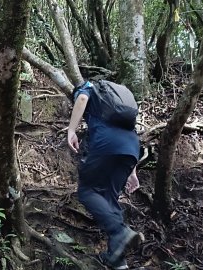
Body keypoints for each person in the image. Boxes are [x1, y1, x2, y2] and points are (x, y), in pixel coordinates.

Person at [67, 81, 142, 269]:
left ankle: (120, 232)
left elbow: (82, 98)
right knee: (110, 199)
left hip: (106, 143)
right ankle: (117, 260)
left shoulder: (87, 88)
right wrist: (133, 172)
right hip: (132, 148)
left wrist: (71, 130)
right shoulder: (118, 100)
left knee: (87, 191)